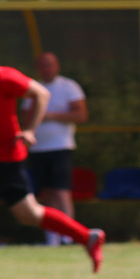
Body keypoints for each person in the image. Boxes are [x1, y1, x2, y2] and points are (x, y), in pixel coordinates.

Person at [0, 32, 104, 279]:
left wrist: (28, 129)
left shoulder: (2, 76)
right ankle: (87, 236)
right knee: (29, 213)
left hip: (5, 155)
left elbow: (41, 94)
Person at [25, 52, 88, 246]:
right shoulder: (32, 87)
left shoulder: (69, 86)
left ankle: (70, 235)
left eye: (50, 65)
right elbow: (25, 115)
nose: (46, 69)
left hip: (60, 148)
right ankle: (52, 237)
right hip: (38, 149)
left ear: (57, 66)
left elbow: (81, 114)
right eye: (43, 66)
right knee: (46, 193)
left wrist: (49, 115)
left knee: (61, 192)